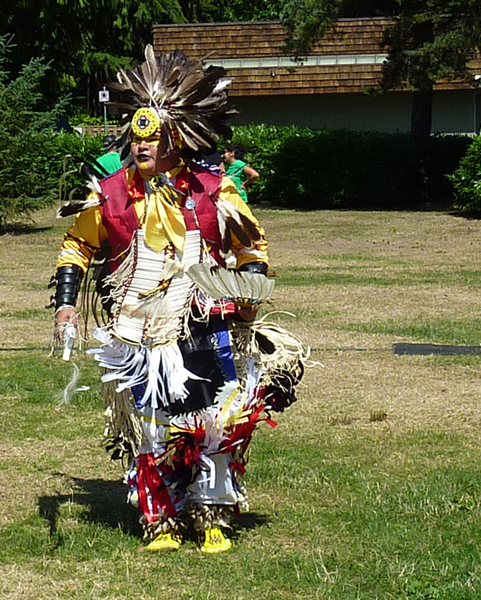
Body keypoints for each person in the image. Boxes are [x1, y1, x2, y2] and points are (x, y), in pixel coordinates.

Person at [50, 45, 307, 554]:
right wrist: (66, 303)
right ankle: (159, 516)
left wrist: (248, 290)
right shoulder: (112, 194)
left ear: (178, 138)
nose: (140, 145)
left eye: (152, 137)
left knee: (218, 416)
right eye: (136, 136)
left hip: (206, 317)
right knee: (147, 423)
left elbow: (249, 243)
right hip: (138, 325)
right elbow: (77, 246)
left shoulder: (214, 190)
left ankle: (210, 511)